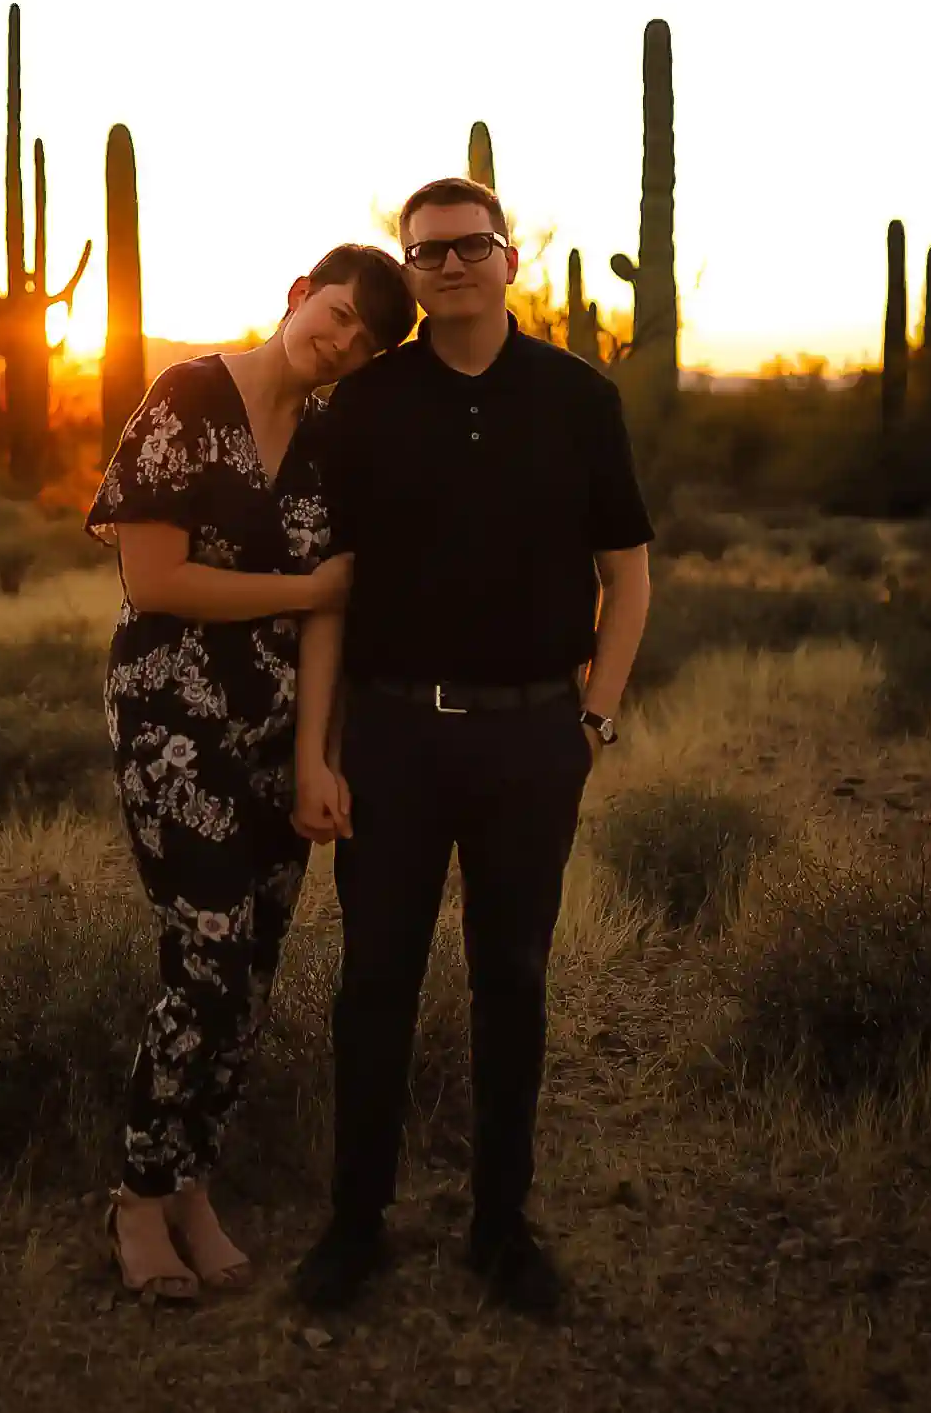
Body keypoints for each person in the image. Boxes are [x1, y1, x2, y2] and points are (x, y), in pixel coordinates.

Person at [291, 178, 654, 1320]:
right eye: (426, 253)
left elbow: (627, 569)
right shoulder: (366, 402)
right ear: (408, 272)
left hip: (531, 737)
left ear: (508, 259)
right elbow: (330, 592)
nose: (448, 265)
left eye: (468, 246)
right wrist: (325, 745)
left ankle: (501, 1227)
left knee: (514, 982)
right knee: (376, 986)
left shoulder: (578, 397)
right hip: (395, 733)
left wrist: (594, 714)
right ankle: (356, 1227)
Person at [85, 243, 416, 1304]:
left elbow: (335, 608)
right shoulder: (186, 394)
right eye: (336, 313)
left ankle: (193, 1183)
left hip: (276, 735)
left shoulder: (327, 443)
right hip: (171, 717)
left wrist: (318, 756)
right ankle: (138, 1194)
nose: (343, 340)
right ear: (295, 295)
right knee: (209, 953)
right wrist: (297, 585)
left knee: (257, 968)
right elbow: (155, 576)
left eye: (365, 339)